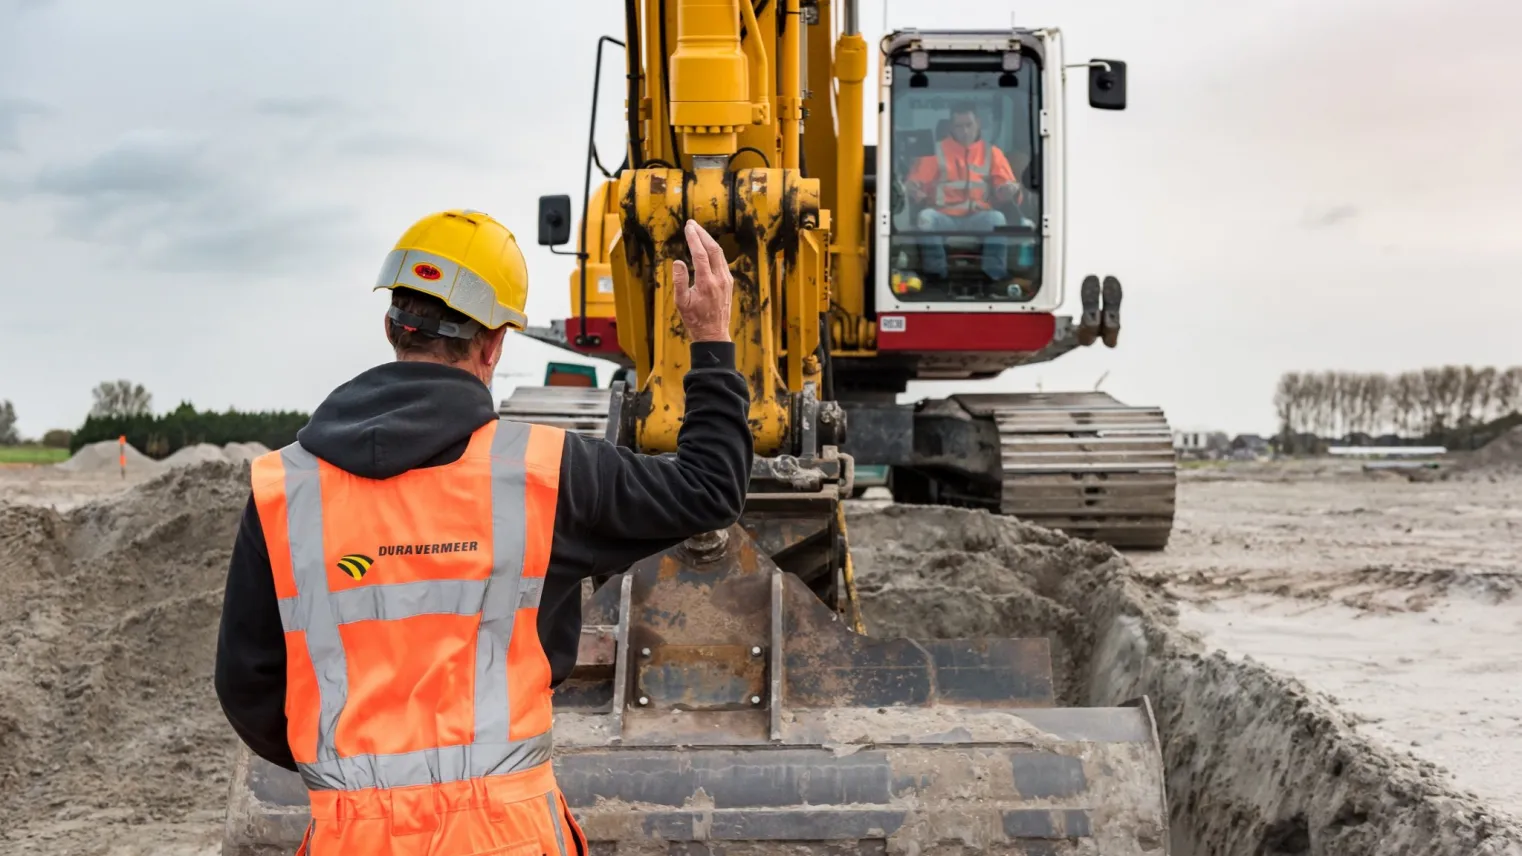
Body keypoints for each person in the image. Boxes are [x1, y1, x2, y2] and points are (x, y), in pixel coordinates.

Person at [214, 210, 751, 855]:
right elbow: (710, 488)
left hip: (351, 838)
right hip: (507, 837)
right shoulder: (547, 473)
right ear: (494, 344)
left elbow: (246, 683)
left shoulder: (285, 488)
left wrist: (355, 772)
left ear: (391, 326)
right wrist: (711, 341)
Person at [905, 102, 1026, 285]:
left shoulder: (992, 153)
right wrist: (914, 190)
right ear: (950, 127)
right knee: (925, 218)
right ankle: (936, 276)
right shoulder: (935, 151)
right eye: (958, 126)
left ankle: (994, 277)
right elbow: (914, 183)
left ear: (978, 123)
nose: (964, 131)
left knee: (997, 219)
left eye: (968, 125)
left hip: (979, 217)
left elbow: (1006, 186)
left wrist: (1008, 191)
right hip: (943, 217)